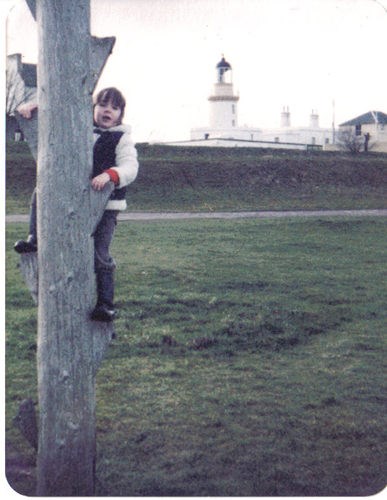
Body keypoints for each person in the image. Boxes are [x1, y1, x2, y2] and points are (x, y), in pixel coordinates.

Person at [14, 87, 139, 322]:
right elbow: (59, 108)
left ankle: (106, 304)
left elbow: (130, 167)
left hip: (106, 207)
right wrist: (34, 106)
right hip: (75, 198)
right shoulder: (80, 127)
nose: (107, 110)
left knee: (99, 253)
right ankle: (34, 239)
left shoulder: (121, 137)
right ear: (93, 108)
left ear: (120, 114)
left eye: (114, 107)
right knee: (40, 192)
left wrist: (111, 174)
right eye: (102, 105)